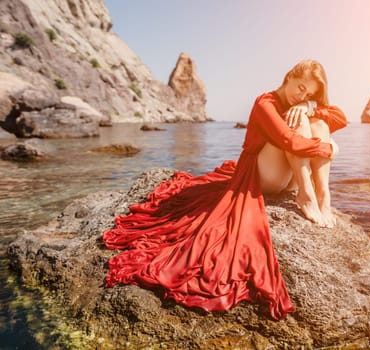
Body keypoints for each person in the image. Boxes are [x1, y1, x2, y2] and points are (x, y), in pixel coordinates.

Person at [103, 60, 347, 321]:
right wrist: (330, 148)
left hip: (287, 175)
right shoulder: (265, 102)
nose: (301, 94)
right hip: (262, 176)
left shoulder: (300, 104)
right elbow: (289, 142)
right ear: (288, 77)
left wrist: (308, 108)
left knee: (320, 125)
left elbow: (341, 119)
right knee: (300, 130)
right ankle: (306, 195)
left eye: (308, 93)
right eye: (299, 88)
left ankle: (323, 197)